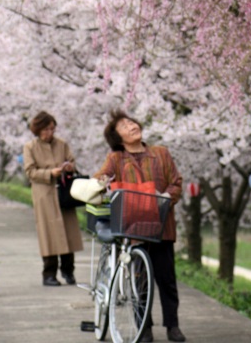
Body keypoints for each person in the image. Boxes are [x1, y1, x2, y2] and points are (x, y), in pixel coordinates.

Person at [96, 110, 186, 343]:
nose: (131, 126)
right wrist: (101, 182)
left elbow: (176, 182)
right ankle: (143, 327)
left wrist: (165, 196)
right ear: (118, 138)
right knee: (139, 279)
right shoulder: (116, 158)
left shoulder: (161, 153)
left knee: (166, 279)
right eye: (124, 126)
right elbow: (101, 177)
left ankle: (172, 326)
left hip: (161, 225)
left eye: (131, 122)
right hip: (133, 228)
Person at [23, 110, 83, 286]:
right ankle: (49, 273)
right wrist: (50, 172)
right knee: (48, 234)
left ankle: (68, 270)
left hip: (63, 192)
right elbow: (30, 172)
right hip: (44, 194)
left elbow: (72, 161)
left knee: (67, 233)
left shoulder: (62, 144)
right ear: (38, 129)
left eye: (52, 129)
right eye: (46, 129)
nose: (50, 133)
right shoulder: (30, 147)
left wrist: (69, 167)